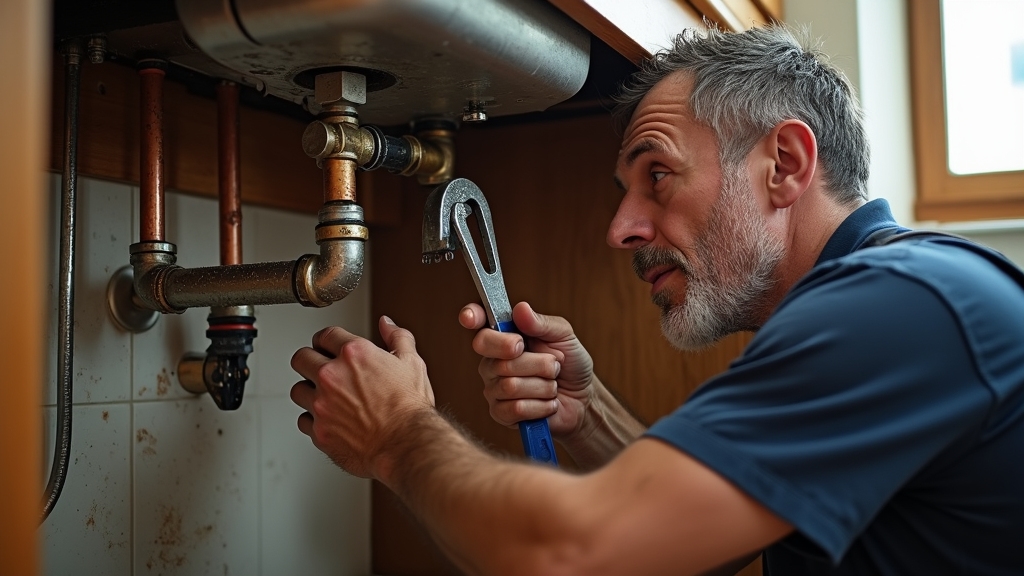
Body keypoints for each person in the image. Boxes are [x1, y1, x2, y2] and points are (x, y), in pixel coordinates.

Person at [289, 24, 1024, 574]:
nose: (621, 229)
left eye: (659, 176)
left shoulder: (898, 308)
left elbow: (572, 553)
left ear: (785, 165)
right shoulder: (893, 299)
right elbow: (690, 543)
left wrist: (397, 435)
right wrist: (587, 412)